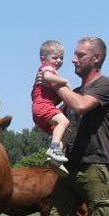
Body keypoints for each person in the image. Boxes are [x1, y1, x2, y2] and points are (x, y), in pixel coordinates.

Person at [11, 36, 109, 216]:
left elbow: (80, 106)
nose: (72, 59)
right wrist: (41, 101)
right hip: (69, 169)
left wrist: (53, 84)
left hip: (97, 166)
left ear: (96, 58)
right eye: (73, 54)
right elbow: (52, 119)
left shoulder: (103, 86)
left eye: (80, 55)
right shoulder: (74, 90)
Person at [31, 40, 71, 168]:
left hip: (40, 109)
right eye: (55, 57)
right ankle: (54, 149)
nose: (59, 60)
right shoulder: (47, 68)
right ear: (43, 59)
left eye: (61, 58)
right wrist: (64, 81)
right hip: (43, 106)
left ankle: (55, 159)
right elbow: (47, 77)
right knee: (64, 122)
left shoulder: (52, 71)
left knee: (65, 132)